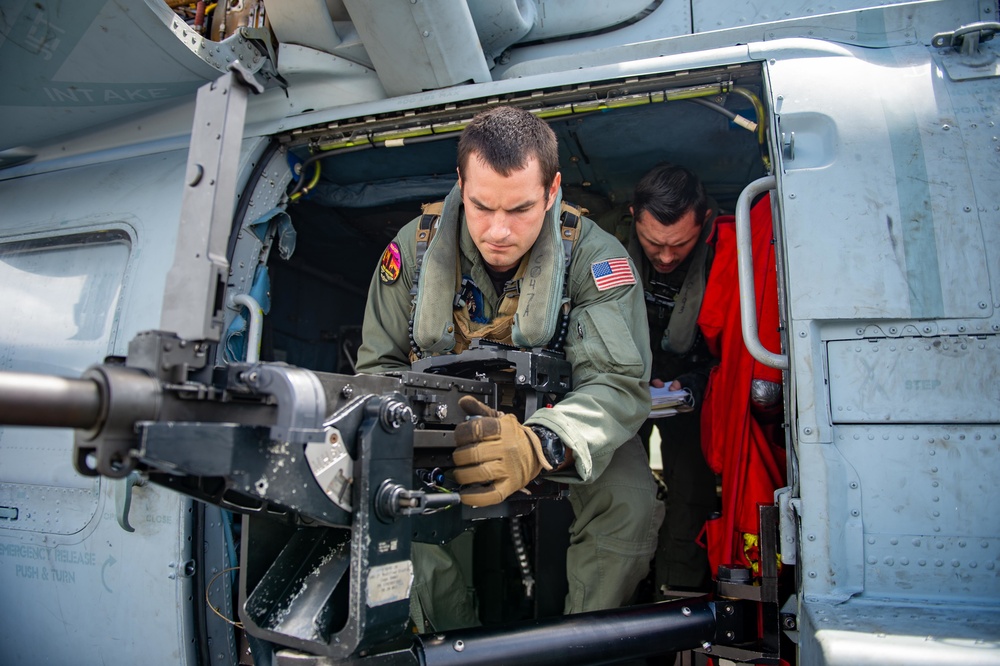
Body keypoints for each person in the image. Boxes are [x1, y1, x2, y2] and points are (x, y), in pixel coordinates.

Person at [356, 105, 663, 631]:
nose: (498, 231)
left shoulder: (594, 257)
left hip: (558, 426)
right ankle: (449, 645)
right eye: (481, 207)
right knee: (394, 501)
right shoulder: (412, 249)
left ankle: (581, 645)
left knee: (629, 499)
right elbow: (377, 370)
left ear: (551, 190)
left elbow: (616, 385)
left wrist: (542, 442)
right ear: (461, 184)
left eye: (520, 209)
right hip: (447, 432)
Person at [599, 163, 720, 595]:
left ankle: (676, 603)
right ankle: (610, 607)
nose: (667, 258)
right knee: (612, 496)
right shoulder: (602, 245)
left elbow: (732, 352)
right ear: (634, 217)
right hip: (621, 388)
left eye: (680, 245)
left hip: (688, 393)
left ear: (703, 224)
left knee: (691, 498)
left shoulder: (728, 251)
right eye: (654, 244)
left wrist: (691, 387)